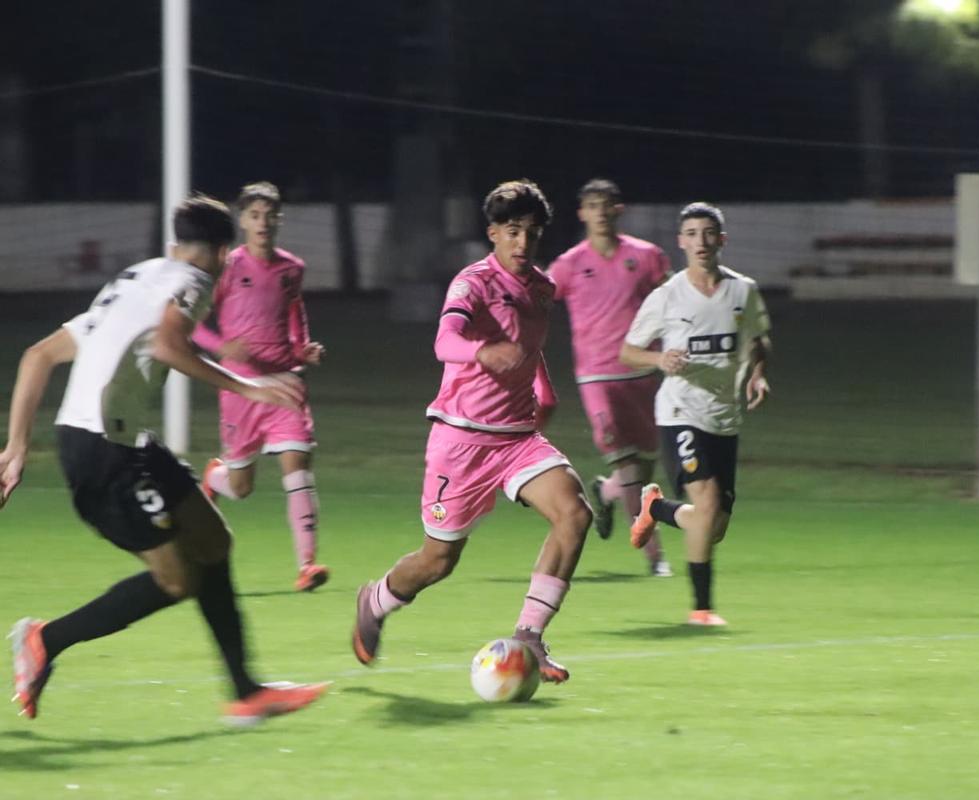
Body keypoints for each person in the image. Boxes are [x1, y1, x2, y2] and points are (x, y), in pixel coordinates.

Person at [0, 196, 329, 724]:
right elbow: (172, 346)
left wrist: (16, 448)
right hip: (102, 453)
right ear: (222, 254)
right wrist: (252, 388)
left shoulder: (134, 280)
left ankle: (246, 691)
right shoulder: (194, 281)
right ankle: (44, 639)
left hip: (124, 442)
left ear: (174, 244)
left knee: (213, 542)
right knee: (178, 579)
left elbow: (36, 355)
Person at [352, 179, 592, 684]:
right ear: (492, 233)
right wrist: (482, 352)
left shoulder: (543, 289)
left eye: (531, 232)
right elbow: (445, 340)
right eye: (511, 231)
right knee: (438, 560)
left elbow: (529, 345)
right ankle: (375, 599)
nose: (522, 242)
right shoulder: (473, 283)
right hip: (460, 441)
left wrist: (543, 388)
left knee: (574, 513)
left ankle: (529, 635)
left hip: (517, 438)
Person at [619, 202, 771, 626]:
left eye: (709, 233)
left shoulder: (744, 291)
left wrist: (758, 374)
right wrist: (658, 359)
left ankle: (655, 509)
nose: (701, 241)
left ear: (721, 240)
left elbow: (758, 340)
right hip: (679, 412)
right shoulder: (667, 296)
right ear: (681, 241)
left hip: (725, 416)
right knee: (705, 505)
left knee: (713, 524)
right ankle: (701, 609)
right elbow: (628, 352)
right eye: (692, 233)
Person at [193, 181, 329, 593]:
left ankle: (307, 564)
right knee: (241, 487)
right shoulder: (227, 267)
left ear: (279, 220)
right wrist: (222, 345)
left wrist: (301, 348)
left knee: (297, 466)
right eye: (255, 215)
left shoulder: (292, 268)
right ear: (242, 220)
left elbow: (294, 312)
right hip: (239, 387)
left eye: (270, 216)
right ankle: (216, 477)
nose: (263, 223)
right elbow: (193, 324)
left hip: (285, 381)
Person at [547, 178, 672, 577]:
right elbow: (533, 302)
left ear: (619, 210)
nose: (600, 212)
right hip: (596, 378)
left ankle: (605, 491)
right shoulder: (568, 265)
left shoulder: (647, 256)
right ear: (582, 213)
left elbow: (673, 303)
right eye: (592, 205)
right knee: (629, 467)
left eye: (607, 205)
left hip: (643, 372)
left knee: (642, 470)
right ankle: (656, 557)